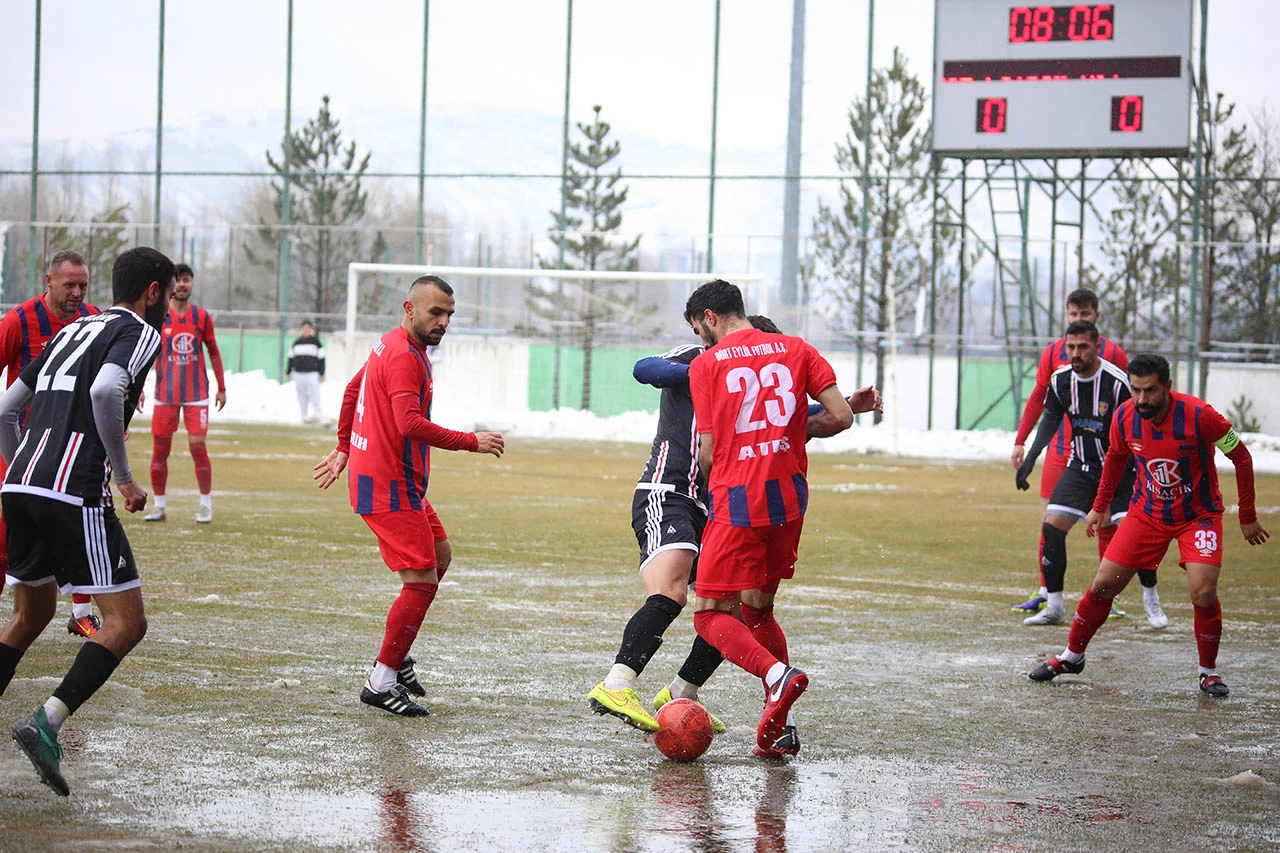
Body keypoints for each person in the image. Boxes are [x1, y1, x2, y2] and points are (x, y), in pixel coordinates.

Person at [0, 246, 175, 796]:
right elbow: (105, 389)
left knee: (32, 615)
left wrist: (23, 467)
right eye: (168, 295)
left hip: (18, 485)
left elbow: (5, 409)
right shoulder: (141, 332)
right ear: (153, 292)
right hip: (73, 491)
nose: (169, 305)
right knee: (126, 622)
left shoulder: (72, 329)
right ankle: (46, 722)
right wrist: (122, 477)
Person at [312, 275, 505, 717]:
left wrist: (344, 446)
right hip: (388, 484)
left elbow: (351, 390)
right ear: (409, 308)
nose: (443, 322)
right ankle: (381, 680)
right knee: (421, 580)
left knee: (440, 555)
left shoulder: (392, 344)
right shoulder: (403, 355)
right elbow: (408, 424)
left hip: (394, 482)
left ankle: (398, 657)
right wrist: (469, 441)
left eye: (450, 315)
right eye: (436, 312)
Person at [683, 279, 855, 758]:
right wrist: (787, 434)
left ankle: (778, 676)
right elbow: (841, 417)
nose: (702, 340)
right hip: (790, 500)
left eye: (700, 329)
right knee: (759, 609)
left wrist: (712, 480)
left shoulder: (707, 364)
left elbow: (711, 452)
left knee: (710, 616)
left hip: (738, 500)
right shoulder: (798, 348)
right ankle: (783, 726)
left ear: (710, 318)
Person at [1029, 354, 1270, 696]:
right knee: (1102, 587)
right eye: (1136, 390)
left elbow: (1241, 456)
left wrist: (1247, 515)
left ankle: (1208, 673)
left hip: (1197, 515)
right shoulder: (1125, 416)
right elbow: (1114, 457)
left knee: (1202, 591)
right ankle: (1072, 656)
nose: (1142, 399)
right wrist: (1099, 507)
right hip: (1146, 514)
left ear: (1167, 387)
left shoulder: (1201, 415)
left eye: (1150, 391)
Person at [1014, 321, 1165, 628]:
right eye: (1071, 347)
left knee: (1135, 533)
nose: (1076, 353)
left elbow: (1140, 428)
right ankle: (1054, 605)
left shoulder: (1117, 383)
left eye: (1083, 347)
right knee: (1052, 526)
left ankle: (1151, 599)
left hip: (1123, 471)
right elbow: (1051, 419)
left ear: (1097, 347)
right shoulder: (1060, 381)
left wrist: (1145, 472)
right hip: (1080, 467)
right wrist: (1030, 458)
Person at [0, 250, 103, 638]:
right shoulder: (20, 320)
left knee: (79, 526)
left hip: (71, 449)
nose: (77, 292)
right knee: (9, 532)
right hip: (20, 447)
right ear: (49, 281)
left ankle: (81, 612)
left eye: (82, 285)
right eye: (69, 285)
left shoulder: (94, 320)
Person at [143, 263, 226, 524]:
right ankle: (159, 507)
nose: (181, 285)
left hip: (196, 394)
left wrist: (222, 388)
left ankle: (205, 505)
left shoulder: (201, 317)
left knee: (198, 447)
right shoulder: (159, 316)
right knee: (160, 451)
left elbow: (213, 351)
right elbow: (144, 351)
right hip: (165, 394)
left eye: (186, 280)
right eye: (177, 280)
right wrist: (137, 388)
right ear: (171, 284)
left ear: (192, 284)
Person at [286, 319, 325, 423]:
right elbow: (291, 358)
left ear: (311, 329)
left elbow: (321, 358)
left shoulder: (316, 342)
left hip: (312, 373)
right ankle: (304, 415)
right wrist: (288, 372)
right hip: (298, 373)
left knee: (314, 393)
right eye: (304, 328)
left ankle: (318, 414)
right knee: (301, 395)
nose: (305, 330)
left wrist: (321, 373)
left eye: (308, 328)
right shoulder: (297, 343)